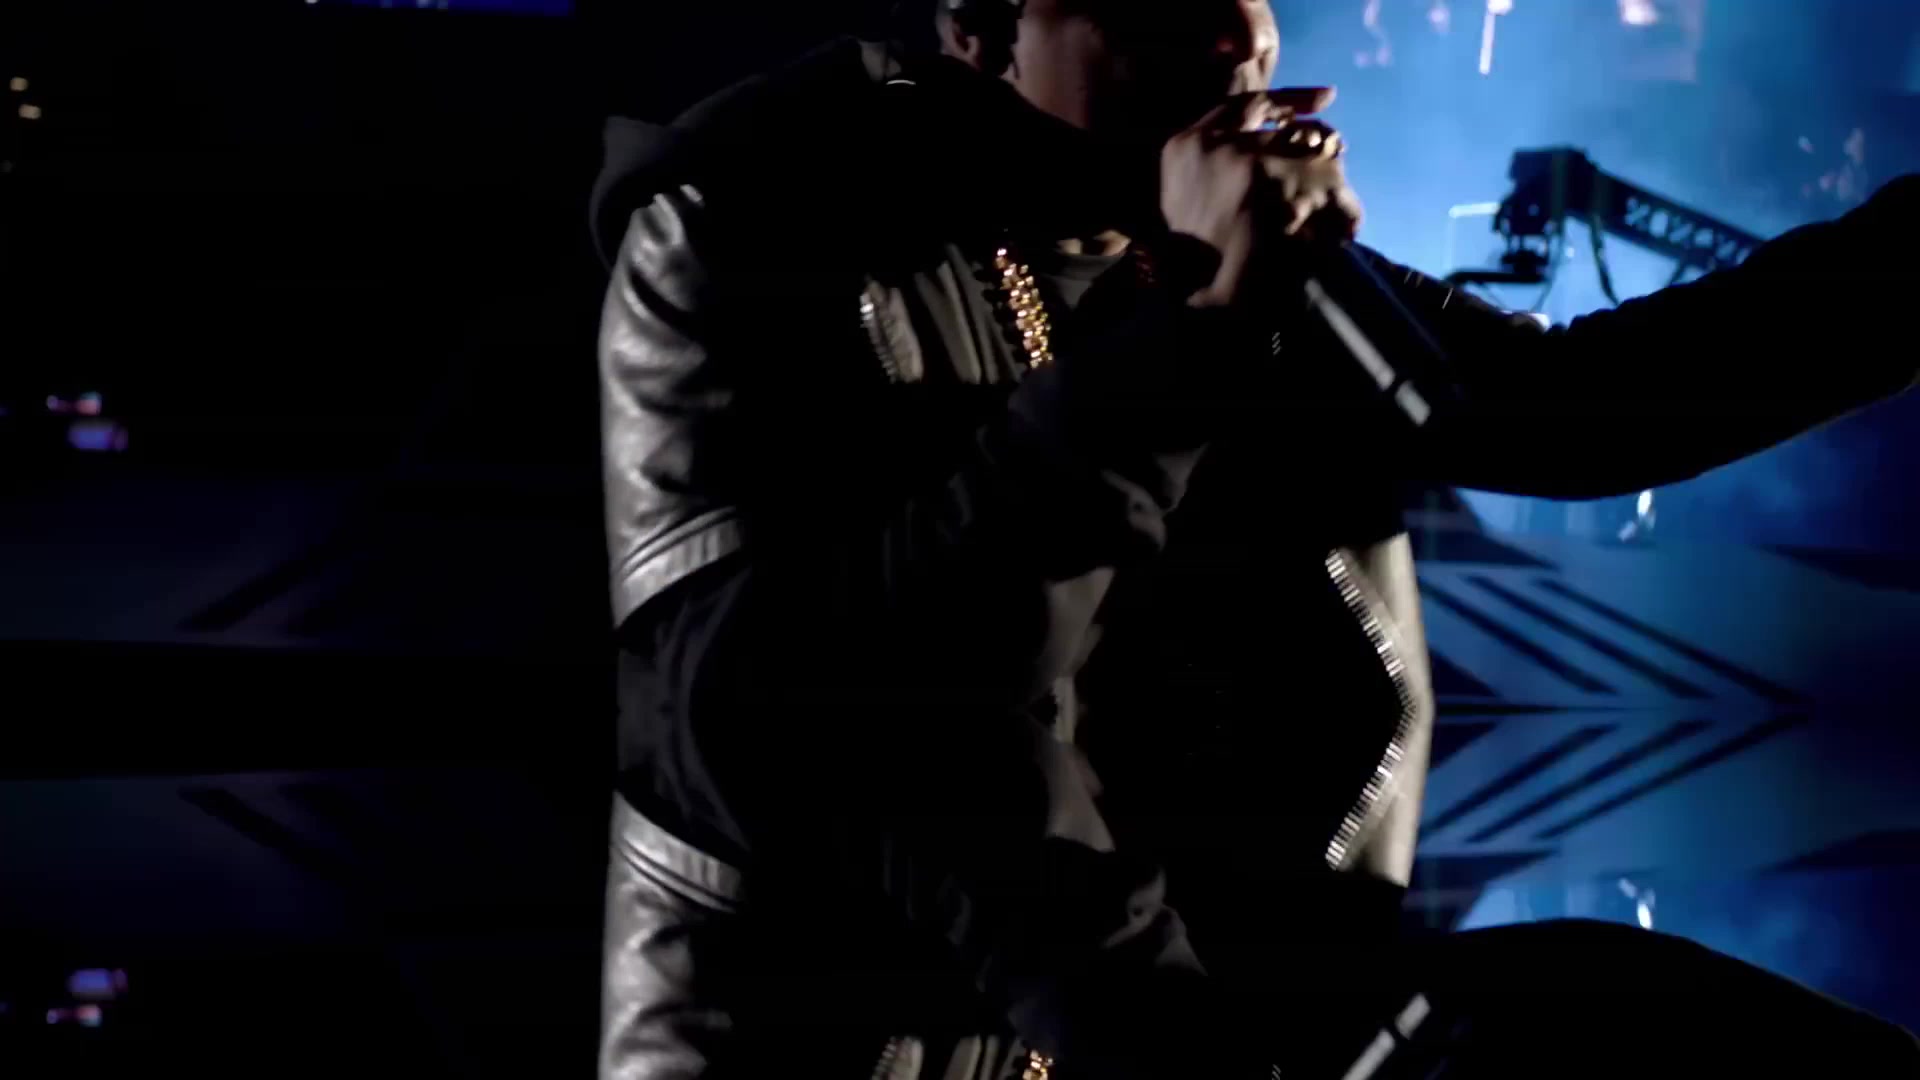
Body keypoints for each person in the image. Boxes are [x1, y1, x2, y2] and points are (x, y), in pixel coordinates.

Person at [590, 1, 1920, 1076]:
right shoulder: (742, 225)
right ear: (981, 32)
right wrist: (1205, 331)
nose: (1239, 36)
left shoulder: (1193, 236)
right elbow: (749, 717)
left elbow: (1560, 414)